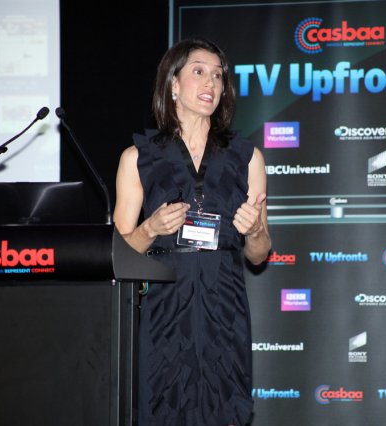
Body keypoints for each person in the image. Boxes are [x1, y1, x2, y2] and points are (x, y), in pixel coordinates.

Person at [114, 38, 271, 426]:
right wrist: (150, 228)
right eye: (199, 72)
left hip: (224, 303)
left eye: (218, 76)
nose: (210, 83)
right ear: (173, 84)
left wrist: (254, 231)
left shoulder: (247, 157)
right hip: (164, 304)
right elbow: (116, 253)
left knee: (225, 410)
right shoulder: (137, 157)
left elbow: (259, 254)